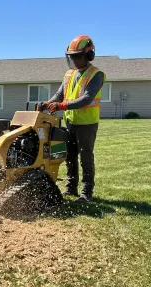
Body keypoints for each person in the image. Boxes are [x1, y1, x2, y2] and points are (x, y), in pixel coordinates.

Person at [37, 35, 106, 202]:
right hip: (70, 122)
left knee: (86, 157)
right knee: (69, 156)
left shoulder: (96, 75)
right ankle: (71, 188)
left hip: (87, 123)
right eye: (72, 56)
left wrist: (61, 106)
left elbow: (87, 98)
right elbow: (60, 95)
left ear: (89, 55)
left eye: (78, 56)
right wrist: (48, 103)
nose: (74, 60)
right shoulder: (69, 74)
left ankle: (86, 193)